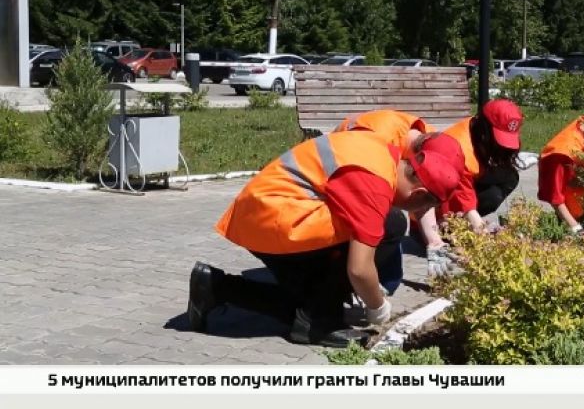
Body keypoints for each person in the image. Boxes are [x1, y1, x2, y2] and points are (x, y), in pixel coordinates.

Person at [186, 131, 462, 348]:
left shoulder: (384, 154)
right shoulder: (375, 185)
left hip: (266, 212)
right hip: (275, 219)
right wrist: (378, 307)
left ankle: (215, 286)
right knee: (384, 227)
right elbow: (359, 268)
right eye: (424, 207)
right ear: (418, 194)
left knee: (309, 303)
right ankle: (317, 322)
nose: (419, 213)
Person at [331, 109, 465, 293]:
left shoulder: (430, 142)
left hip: (360, 184)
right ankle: (345, 285)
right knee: (391, 223)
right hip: (334, 188)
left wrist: (434, 241)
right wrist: (365, 281)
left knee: (390, 280)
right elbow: (363, 195)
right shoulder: (379, 139)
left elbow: (421, 196)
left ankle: (376, 284)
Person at [417, 99, 524, 276]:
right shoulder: (457, 148)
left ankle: (462, 226)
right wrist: (487, 241)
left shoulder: (474, 129)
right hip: (427, 215)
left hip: (459, 190)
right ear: (485, 129)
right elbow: (465, 201)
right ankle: (447, 229)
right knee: (485, 203)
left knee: (509, 177)